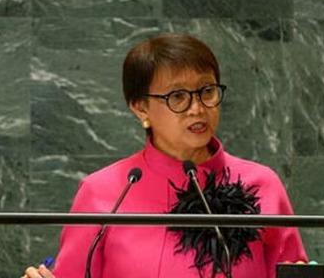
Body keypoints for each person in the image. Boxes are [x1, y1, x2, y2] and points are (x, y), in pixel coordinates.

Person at [21, 33, 307, 278]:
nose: (197, 108)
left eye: (207, 91)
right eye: (177, 96)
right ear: (141, 108)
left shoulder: (261, 184)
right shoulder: (103, 192)